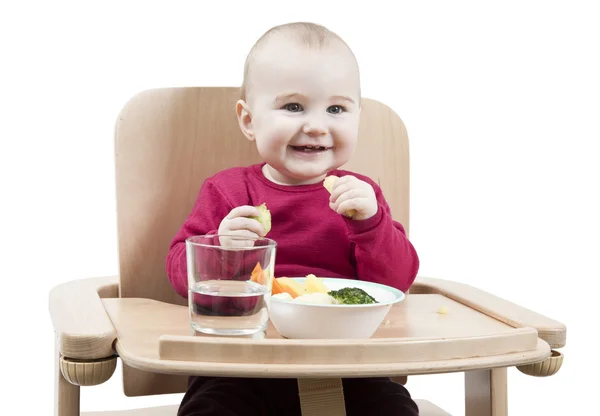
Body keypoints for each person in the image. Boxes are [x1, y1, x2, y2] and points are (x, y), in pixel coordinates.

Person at [166, 21, 420, 416]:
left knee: (393, 409)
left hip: (350, 363)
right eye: (293, 106)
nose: (316, 125)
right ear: (249, 121)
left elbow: (397, 283)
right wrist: (220, 247)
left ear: (357, 117)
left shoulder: (362, 197)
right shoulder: (229, 192)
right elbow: (180, 275)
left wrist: (372, 226)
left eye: (336, 108)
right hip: (239, 362)